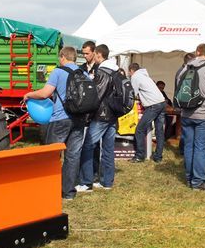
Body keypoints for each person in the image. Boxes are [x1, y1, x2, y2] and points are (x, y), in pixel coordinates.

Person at [23, 46, 87, 200]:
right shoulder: (83, 73)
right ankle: (68, 192)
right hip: (79, 119)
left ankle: (49, 188)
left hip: (60, 119)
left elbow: (45, 93)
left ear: (63, 57)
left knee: (51, 156)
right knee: (72, 156)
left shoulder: (58, 72)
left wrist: (29, 94)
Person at [176, 43, 205, 190]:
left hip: (186, 113)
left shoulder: (184, 68)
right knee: (201, 148)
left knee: (188, 146)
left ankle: (189, 177)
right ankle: (198, 181)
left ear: (197, 52)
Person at [78, 44, 119, 191]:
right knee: (108, 149)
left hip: (101, 115)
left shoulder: (102, 71)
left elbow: (97, 95)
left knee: (88, 146)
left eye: (94, 54)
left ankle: (86, 182)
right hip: (113, 115)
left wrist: (87, 113)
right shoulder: (116, 70)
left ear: (99, 54)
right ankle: (106, 182)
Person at [128, 63, 166, 163]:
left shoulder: (135, 76)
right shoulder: (145, 75)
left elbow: (133, 93)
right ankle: (158, 157)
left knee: (139, 130)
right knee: (159, 131)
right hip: (162, 102)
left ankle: (140, 156)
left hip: (153, 105)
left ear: (131, 70)